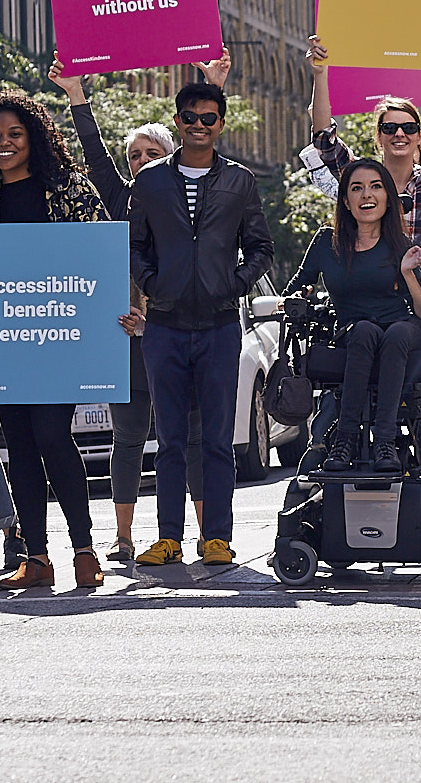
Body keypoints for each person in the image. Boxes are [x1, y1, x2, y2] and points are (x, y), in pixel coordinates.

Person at [53, 52, 232, 561]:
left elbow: (214, 152)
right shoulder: (122, 200)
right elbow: (92, 156)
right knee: (128, 439)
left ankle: (206, 535)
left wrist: (210, 84)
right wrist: (76, 95)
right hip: (128, 343)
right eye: (133, 154)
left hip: (186, 335)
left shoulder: (195, 197)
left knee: (193, 441)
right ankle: (126, 536)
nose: (140, 161)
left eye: (152, 152)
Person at [0, 90, 113, 591]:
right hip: (5, 338)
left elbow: (99, 249)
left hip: (60, 331)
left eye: (15, 134)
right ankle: (36, 557)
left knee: (51, 433)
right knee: (19, 443)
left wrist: (118, 309)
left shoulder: (68, 187)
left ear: (35, 138)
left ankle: (84, 549)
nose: (4, 143)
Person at [127, 78, 276, 568]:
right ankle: (168, 537)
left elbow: (260, 246)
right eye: (189, 117)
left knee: (215, 438)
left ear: (220, 124)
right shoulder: (149, 182)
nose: (198, 126)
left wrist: (234, 284)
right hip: (164, 325)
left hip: (217, 325)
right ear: (177, 121)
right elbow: (134, 245)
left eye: (208, 118)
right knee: (168, 439)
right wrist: (153, 283)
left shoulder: (240, 180)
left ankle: (217, 537)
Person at [286, 160, 421, 474]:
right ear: (345, 200)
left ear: (387, 198)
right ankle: (346, 437)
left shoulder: (400, 245)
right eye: (357, 188)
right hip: (354, 332)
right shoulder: (326, 243)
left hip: (402, 329)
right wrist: (296, 299)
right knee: (365, 331)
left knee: (394, 333)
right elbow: (297, 288)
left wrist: (408, 274)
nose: (366, 195)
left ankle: (384, 440)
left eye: (375, 186)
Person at [306, 36, 421, 262]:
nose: (399, 134)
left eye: (409, 128)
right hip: (372, 293)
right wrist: (320, 74)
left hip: (420, 294)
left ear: (419, 138)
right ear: (379, 136)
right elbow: (325, 141)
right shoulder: (361, 178)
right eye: (389, 128)